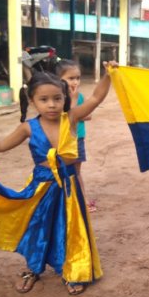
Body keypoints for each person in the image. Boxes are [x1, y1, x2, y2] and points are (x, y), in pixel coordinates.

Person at [0, 62, 117, 295]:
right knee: (36, 228)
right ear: (32, 100)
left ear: (64, 98)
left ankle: (73, 270)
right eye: (44, 100)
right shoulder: (28, 127)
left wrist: (108, 75)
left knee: (70, 229)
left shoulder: (72, 118)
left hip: (68, 188)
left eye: (57, 98)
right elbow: (1, 145)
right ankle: (32, 269)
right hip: (40, 188)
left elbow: (96, 98)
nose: (52, 105)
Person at [56, 59, 107, 213]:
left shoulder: (79, 97)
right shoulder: (58, 97)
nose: (76, 82)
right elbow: (67, 115)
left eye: (77, 78)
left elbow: (88, 115)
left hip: (78, 138)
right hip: (60, 140)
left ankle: (83, 200)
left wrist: (79, 112)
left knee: (76, 172)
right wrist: (77, 110)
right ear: (59, 79)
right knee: (59, 172)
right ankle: (64, 201)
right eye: (71, 78)